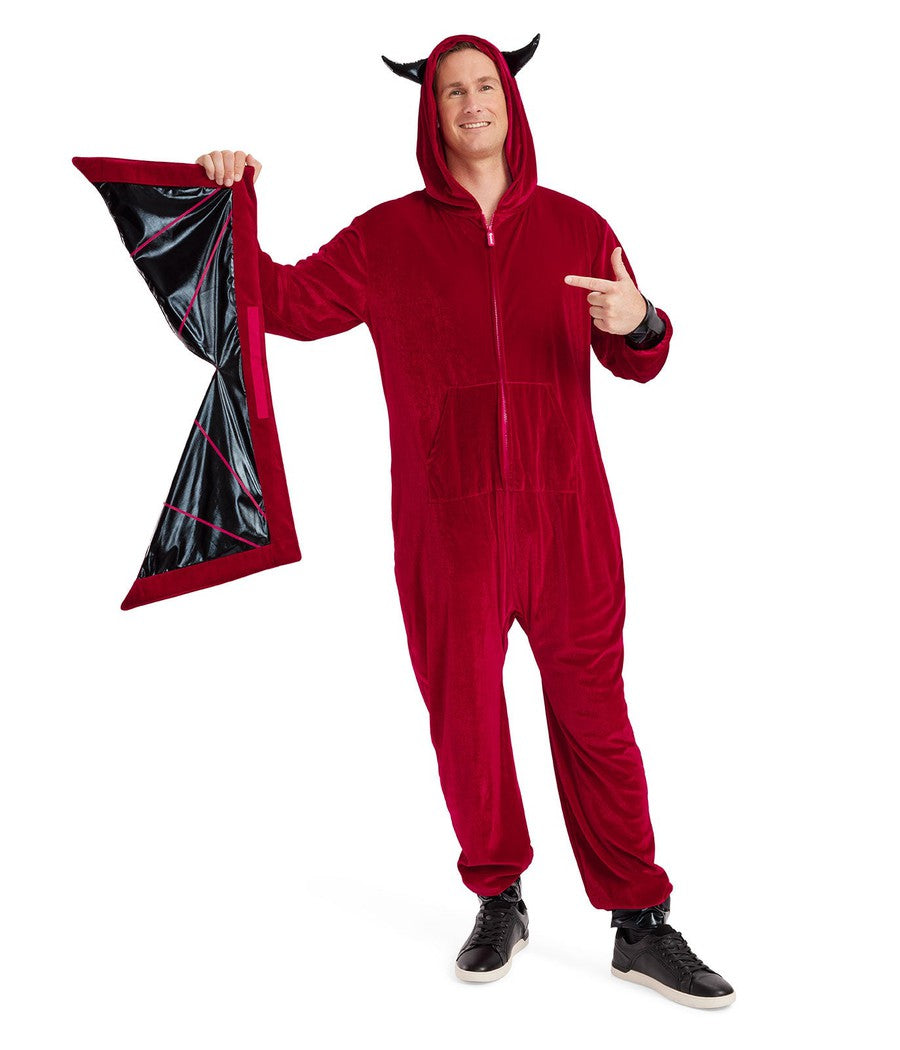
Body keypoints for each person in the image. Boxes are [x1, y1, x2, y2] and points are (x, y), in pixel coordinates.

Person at [196, 32, 735, 1009]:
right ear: (432, 112)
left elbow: (642, 357)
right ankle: (499, 897)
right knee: (467, 721)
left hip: (569, 521)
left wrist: (644, 320)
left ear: (510, 103)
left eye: (486, 86)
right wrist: (231, 200)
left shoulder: (577, 227)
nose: (473, 102)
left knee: (598, 723)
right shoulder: (385, 238)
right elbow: (281, 302)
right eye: (453, 91)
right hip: (447, 528)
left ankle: (640, 923)